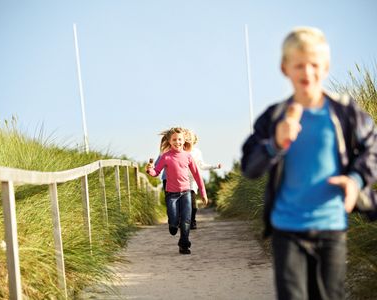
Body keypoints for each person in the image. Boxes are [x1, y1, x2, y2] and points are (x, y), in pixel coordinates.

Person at [240, 26, 377, 300]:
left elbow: (372, 150)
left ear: (325, 67)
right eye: (299, 65)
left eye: (314, 65)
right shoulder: (274, 116)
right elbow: (250, 167)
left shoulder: (345, 113)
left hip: (331, 226)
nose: (307, 72)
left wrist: (356, 180)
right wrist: (274, 145)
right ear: (285, 68)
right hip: (287, 229)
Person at [146, 127, 209, 254]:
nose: (177, 142)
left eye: (179, 139)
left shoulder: (188, 156)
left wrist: (203, 192)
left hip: (186, 192)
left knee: (186, 220)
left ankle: (184, 245)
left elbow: (197, 175)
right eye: (174, 140)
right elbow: (156, 172)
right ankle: (172, 224)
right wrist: (149, 170)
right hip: (171, 194)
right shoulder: (165, 157)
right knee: (174, 222)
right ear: (169, 141)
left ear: (183, 140)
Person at [185, 130, 221, 229]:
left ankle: (192, 221)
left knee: (192, 204)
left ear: (194, 139)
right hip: (182, 179)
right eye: (186, 135)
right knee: (183, 204)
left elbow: (202, 166)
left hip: (193, 180)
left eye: (190, 136)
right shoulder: (180, 151)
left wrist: (215, 166)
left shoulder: (197, 152)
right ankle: (183, 220)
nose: (187, 137)